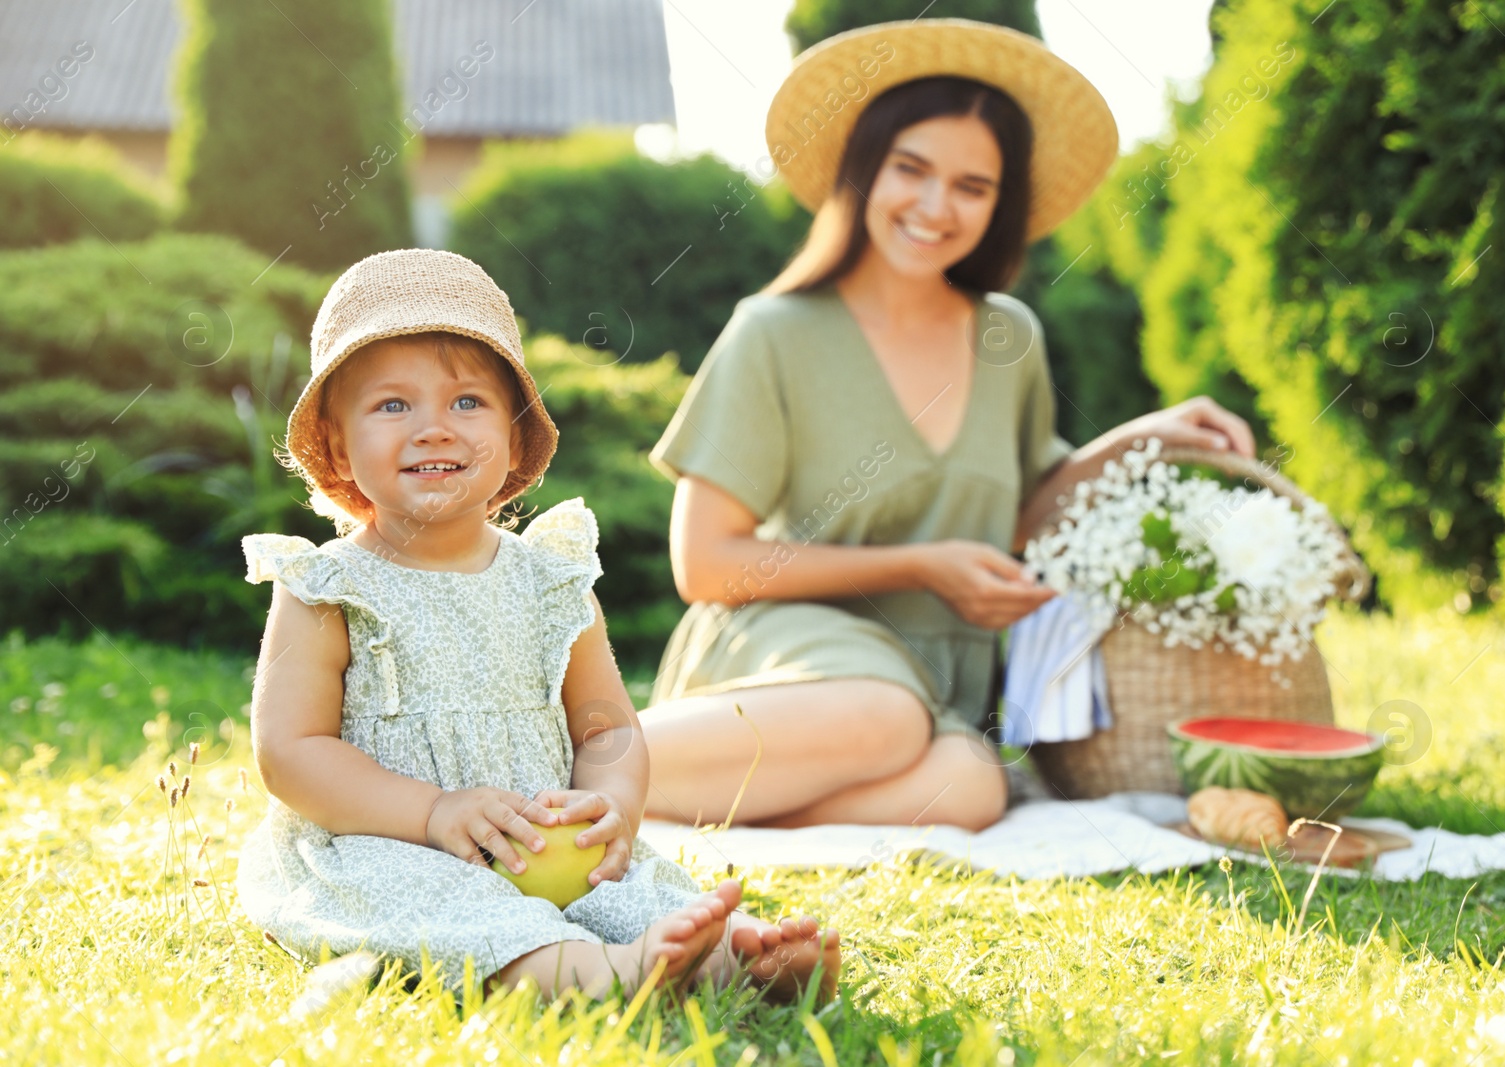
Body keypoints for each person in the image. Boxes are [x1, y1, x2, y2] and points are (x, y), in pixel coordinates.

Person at [639, 20, 1255, 832]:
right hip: (787, 651)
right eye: (912, 169)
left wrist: (1146, 439)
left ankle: (702, 797)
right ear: (865, 171)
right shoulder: (774, 333)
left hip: (937, 678)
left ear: (1001, 205)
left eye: (973, 186)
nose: (936, 207)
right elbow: (707, 563)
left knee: (973, 784)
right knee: (889, 717)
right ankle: (580, 766)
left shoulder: (1009, 338)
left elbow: (1023, 520)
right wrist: (923, 565)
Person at [234, 248, 841, 1006]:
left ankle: (733, 956)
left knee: (629, 891)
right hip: (387, 844)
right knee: (470, 917)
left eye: (467, 403)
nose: (433, 430)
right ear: (337, 446)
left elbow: (606, 728)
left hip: (547, 843)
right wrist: (431, 813)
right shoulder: (328, 586)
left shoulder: (551, 578)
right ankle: (610, 975)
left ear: (517, 437)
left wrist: (611, 807)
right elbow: (291, 750)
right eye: (393, 405)